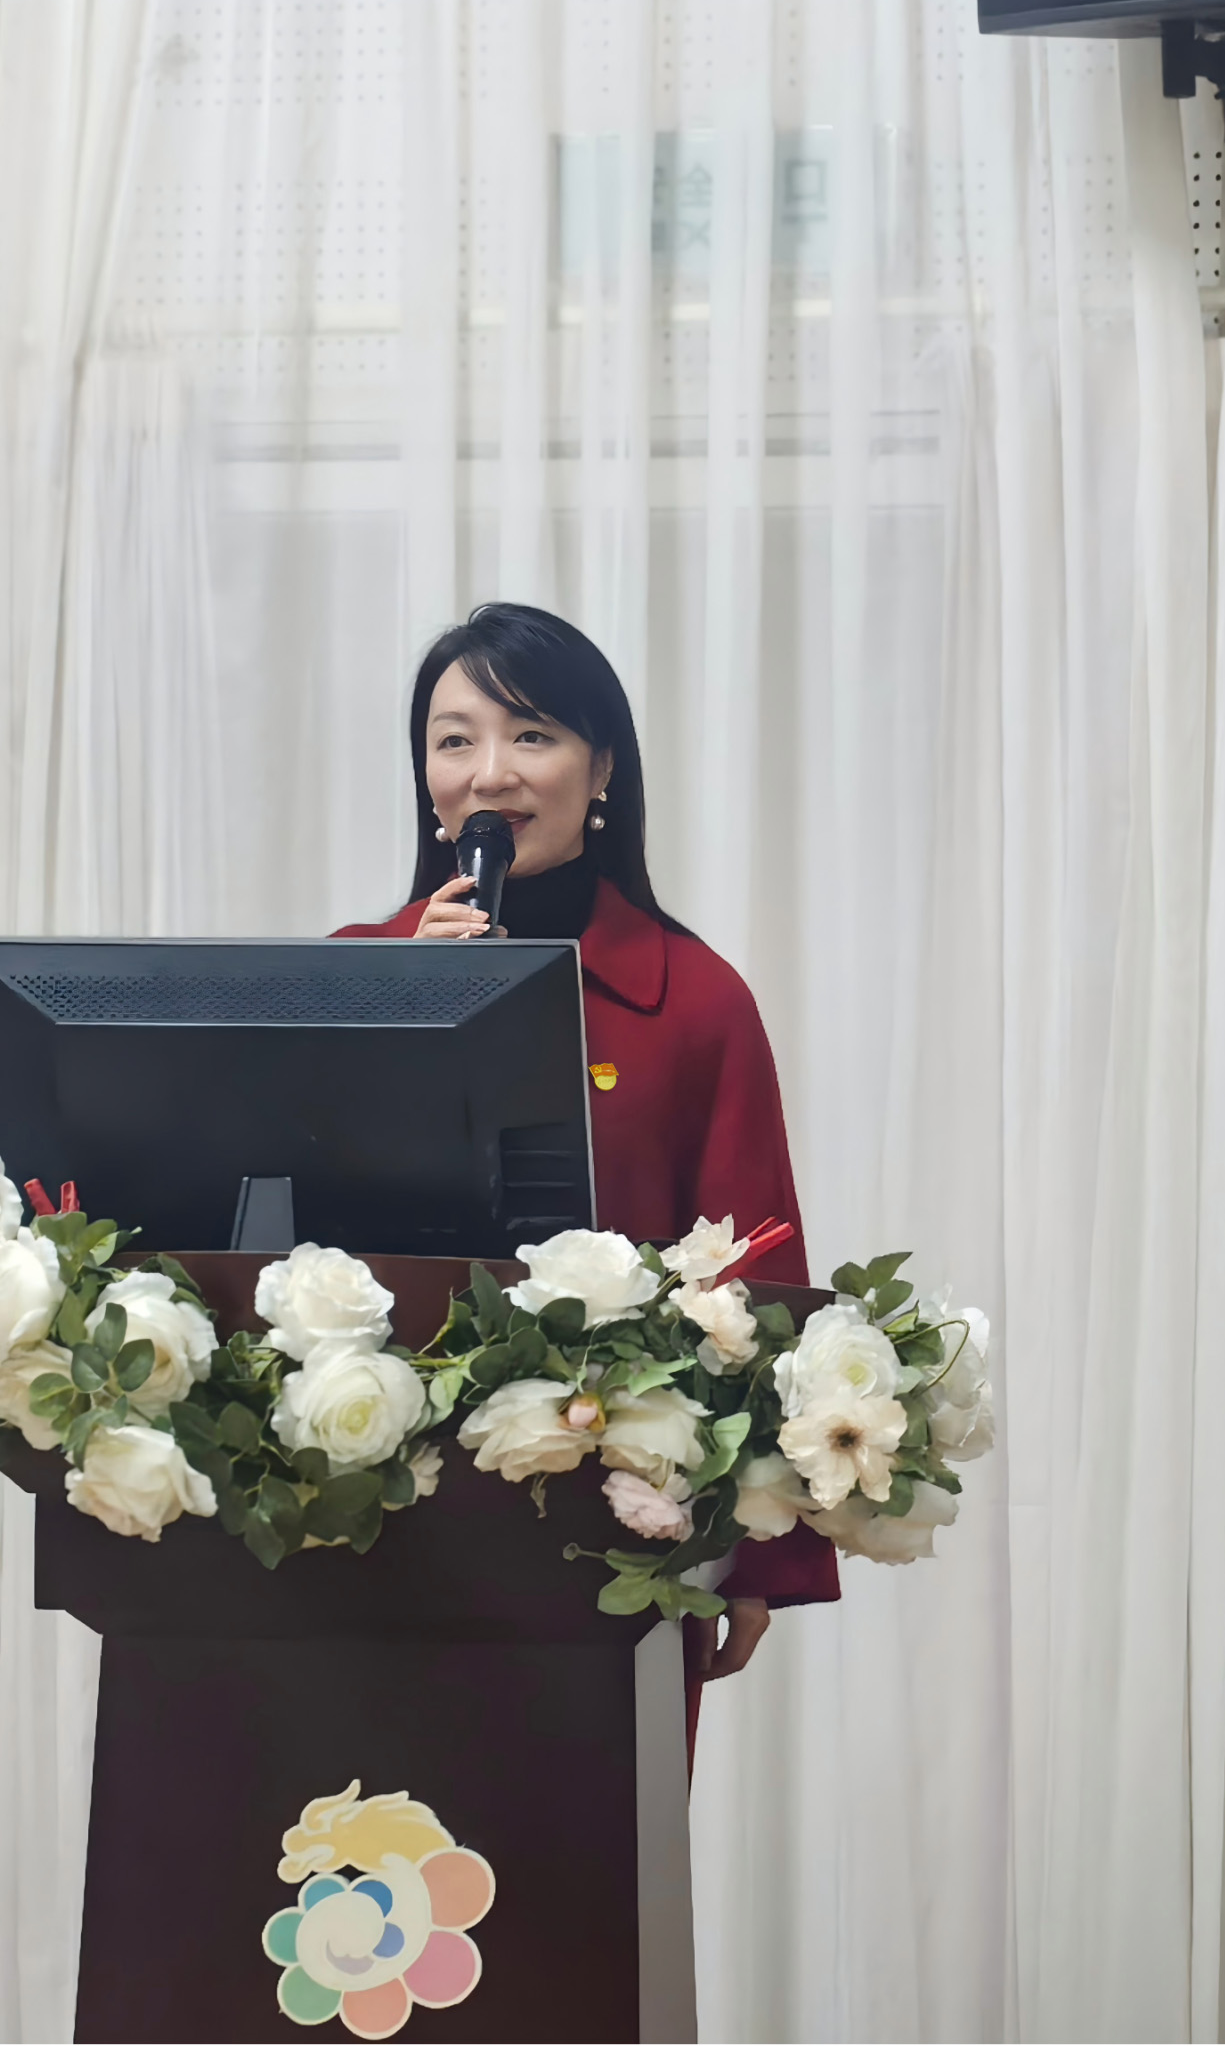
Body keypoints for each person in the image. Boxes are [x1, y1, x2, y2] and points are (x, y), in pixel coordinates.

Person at [334, 602, 839, 1697]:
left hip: (615, 1523)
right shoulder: (350, 974)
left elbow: (756, 1269)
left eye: (532, 734)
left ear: (601, 767)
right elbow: (284, 1229)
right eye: (455, 740)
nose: (490, 773)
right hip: (366, 1518)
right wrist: (402, 1000)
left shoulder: (694, 998)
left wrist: (764, 1553)